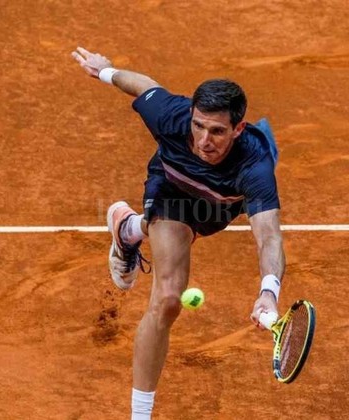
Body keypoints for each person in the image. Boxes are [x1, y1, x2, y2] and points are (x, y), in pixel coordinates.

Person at [71, 46, 286, 420]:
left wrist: (269, 292)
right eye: (198, 125)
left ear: (239, 129)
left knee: (183, 232)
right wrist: (106, 71)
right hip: (170, 189)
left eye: (217, 131)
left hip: (217, 207)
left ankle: (128, 228)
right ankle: (140, 416)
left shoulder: (255, 166)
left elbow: (269, 237)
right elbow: (143, 86)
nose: (204, 140)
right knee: (169, 298)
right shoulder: (170, 116)